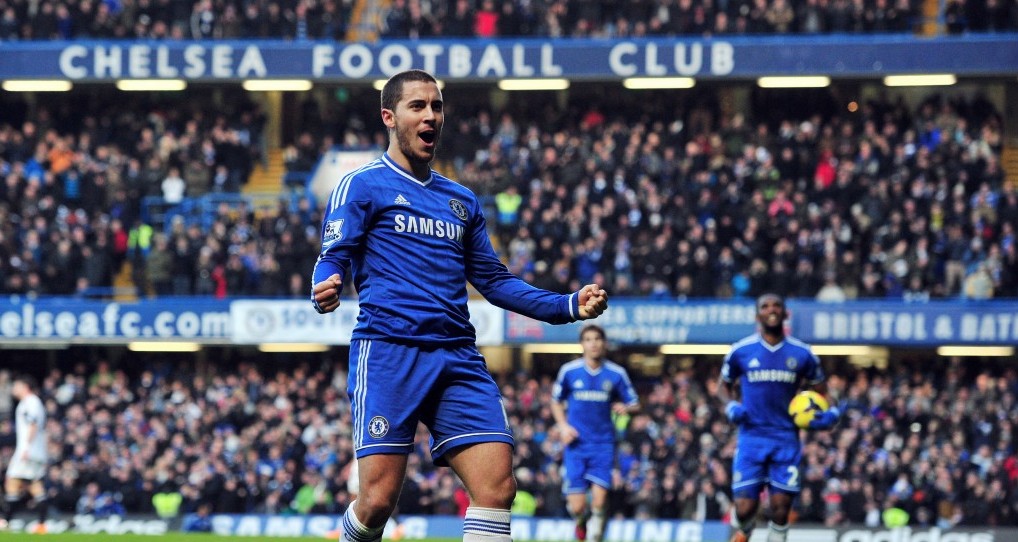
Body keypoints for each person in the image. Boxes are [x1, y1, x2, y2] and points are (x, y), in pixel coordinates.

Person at [310, 69, 608, 542]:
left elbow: (494, 281)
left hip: (457, 357)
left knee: (497, 488)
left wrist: (568, 305)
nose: (431, 115)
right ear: (389, 117)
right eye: (417, 106)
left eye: (437, 106)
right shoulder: (362, 185)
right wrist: (324, 283)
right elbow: (333, 256)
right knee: (377, 502)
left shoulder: (461, 200)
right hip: (389, 351)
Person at [719, 293, 840, 542]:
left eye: (776, 305)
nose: (771, 310)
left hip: (786, 439)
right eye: (765, 306)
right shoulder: (741, 351)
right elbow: (723, 386)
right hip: (751, 437)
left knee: (781, 508)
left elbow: (824, 392)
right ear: (757, 315)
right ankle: (745, 529)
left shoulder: (802, 353)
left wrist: (833, 413)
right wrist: (730, 405)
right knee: (744, 508)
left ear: (785, 313)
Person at [551, 324, 639, 542]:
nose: (593, 343)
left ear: (604, 343)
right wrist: (563, 426)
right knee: (577, 506)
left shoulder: (616, 373)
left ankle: (597, 533)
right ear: (582, 344)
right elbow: (555, 401)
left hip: (603, 444)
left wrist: (626, 408)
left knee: (599, 501)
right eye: (588, 339)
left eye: (597, 339)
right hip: (575, 446)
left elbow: (635, 403)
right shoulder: (569, 371)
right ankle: (581, 521)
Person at [1, 374, 49, 534]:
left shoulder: (30, 402)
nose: (14, 388)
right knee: (35, 485)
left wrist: (26, 448)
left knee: (12, 481)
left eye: (16, 385)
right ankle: (41, 524)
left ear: (24, 386)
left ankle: (6, 520)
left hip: (28, 451)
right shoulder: (31, 402)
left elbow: (33, 424)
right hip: (35, 451)